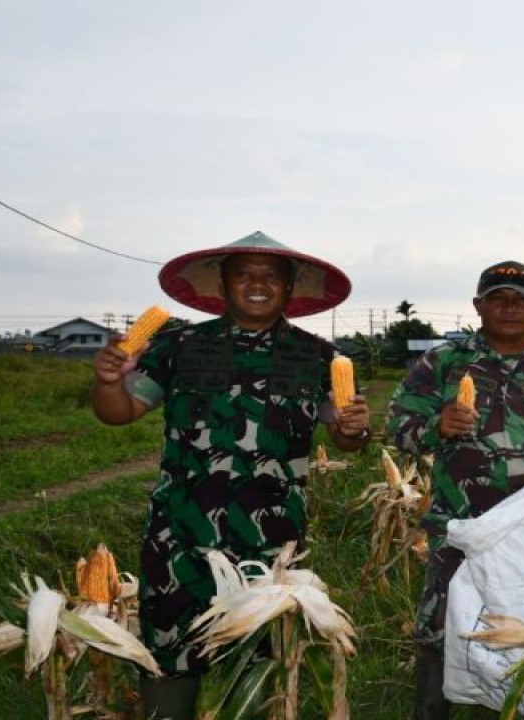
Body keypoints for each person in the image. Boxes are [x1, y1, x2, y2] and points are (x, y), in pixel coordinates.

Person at [91, 231, 372, 719]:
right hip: (179, 533)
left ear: (289, 288)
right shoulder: (179, 346)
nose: (257, 284)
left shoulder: (319, 357)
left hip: (272, 539)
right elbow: (119, 411)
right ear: (223, 285)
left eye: (271, 276)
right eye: (244, 274)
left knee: (263, 654)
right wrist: (108, 382)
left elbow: (347, 436)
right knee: (170, 651)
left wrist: (356, 430)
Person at [385, 260, 524, 720]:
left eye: (520, 299)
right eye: (497, 298)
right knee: (440, 626)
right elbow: (397, 426)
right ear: (478, 306)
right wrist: (436, 426)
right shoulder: (443, 361)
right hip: (461, 525)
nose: (509, 307)